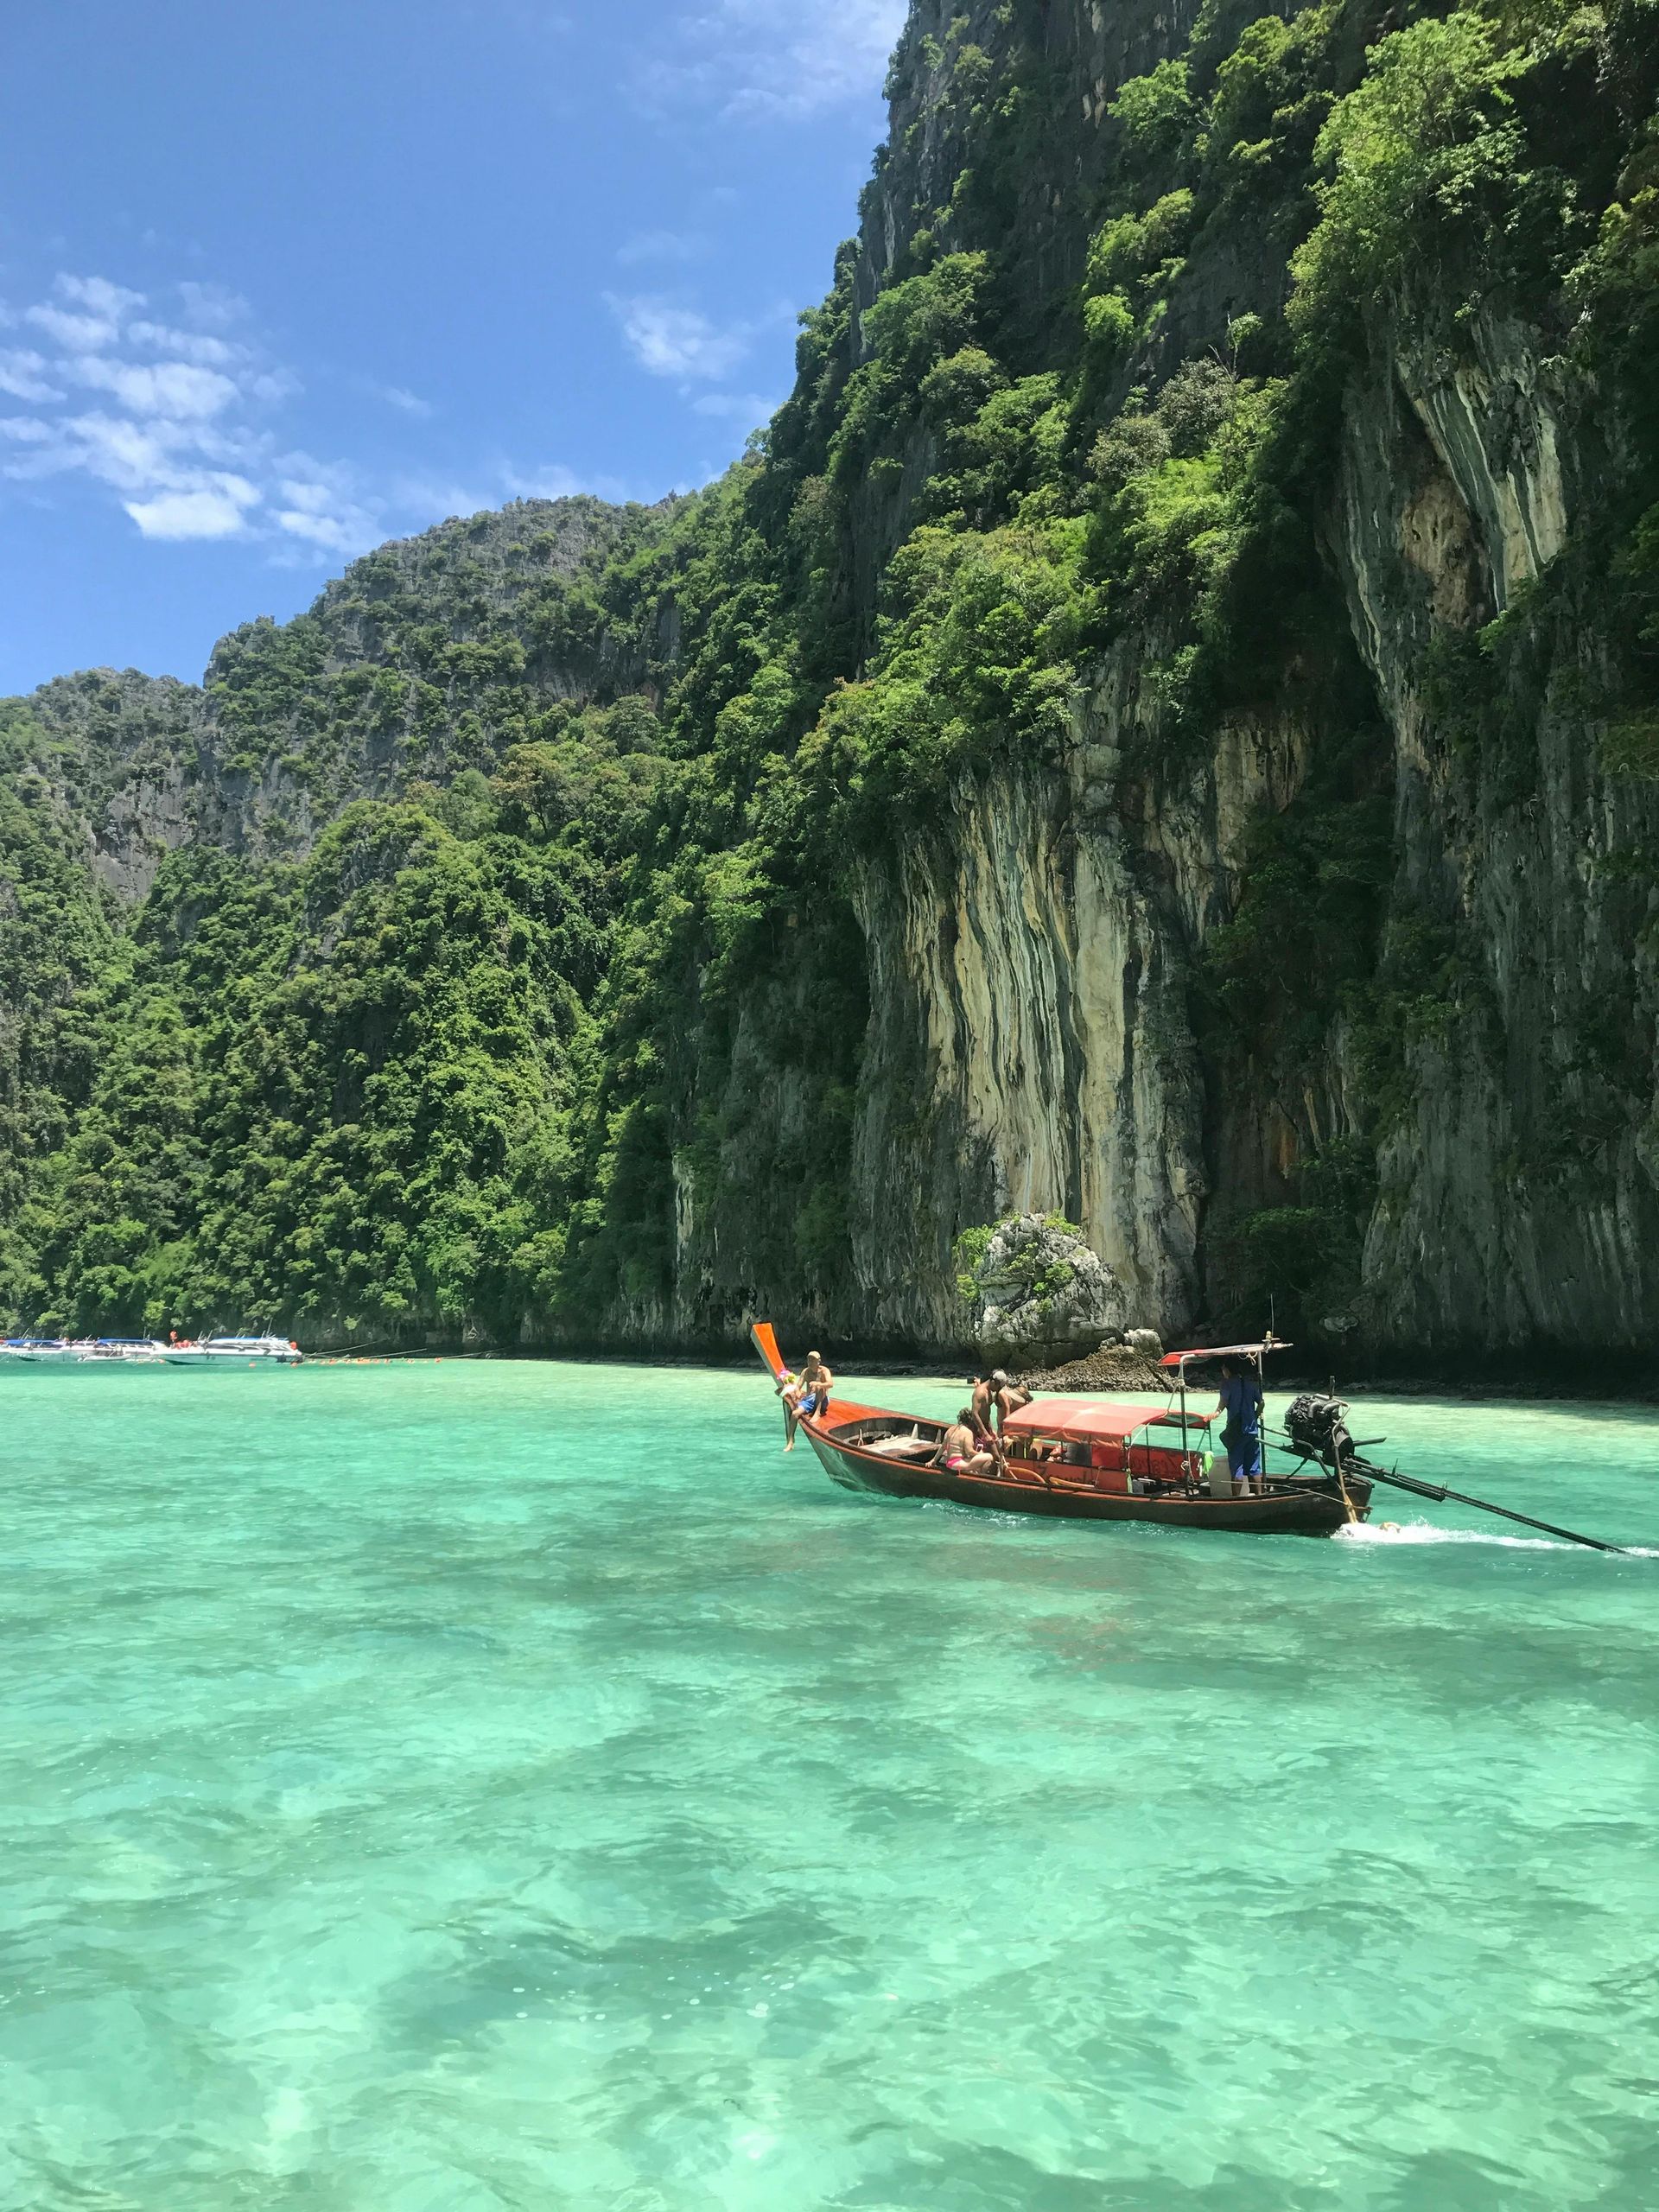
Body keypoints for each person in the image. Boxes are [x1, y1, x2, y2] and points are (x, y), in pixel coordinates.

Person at [1214, 1357, 1265, 1496]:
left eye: (1223, 1369)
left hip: (1237, 1432)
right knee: (1254, 1467)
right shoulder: (1250, 1384)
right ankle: (1259, 1497)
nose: (1223, 1372)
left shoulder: (1227, 1384)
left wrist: (1216, 1412)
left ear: (1228, 1370)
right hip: (1252, 1431)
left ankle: (1236, 1500)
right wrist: (1255, 1415)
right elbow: (1261, 1403)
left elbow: (1223, 1401)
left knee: (1237, 1467)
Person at [934, 1409, 996, 1478]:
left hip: (950, 1463)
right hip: (958, 1464)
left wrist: (933, 1460)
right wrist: (980, 1454)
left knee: (974, 1462)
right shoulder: (967, 1432)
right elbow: (969, 1451)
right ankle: (983, 1478)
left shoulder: (951, 1429)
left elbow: (943, 1447)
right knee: (989, 1456)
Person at [796, 1351, 835, 1424]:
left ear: (819, 1361)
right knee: (795, 1412)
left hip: (822, 1400)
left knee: (819, 1386)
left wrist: (818, 1383)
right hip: (809, 1399)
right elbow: (798, 1387)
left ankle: (817, 1412)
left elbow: (831, 1384)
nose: (810, 1361)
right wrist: (797, 1392)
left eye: (813, 1359)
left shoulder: (824, 1371)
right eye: (809, 1359)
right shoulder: (805, 1372)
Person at [775, 1367, 804, 1451]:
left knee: (791, 1413)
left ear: (783, 1381)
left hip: (791, 1403)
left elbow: (777, 1392)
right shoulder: (796, 1386)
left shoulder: (782, 1390)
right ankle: (790, 1441)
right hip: (797, 1401)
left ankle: (790, 1441)